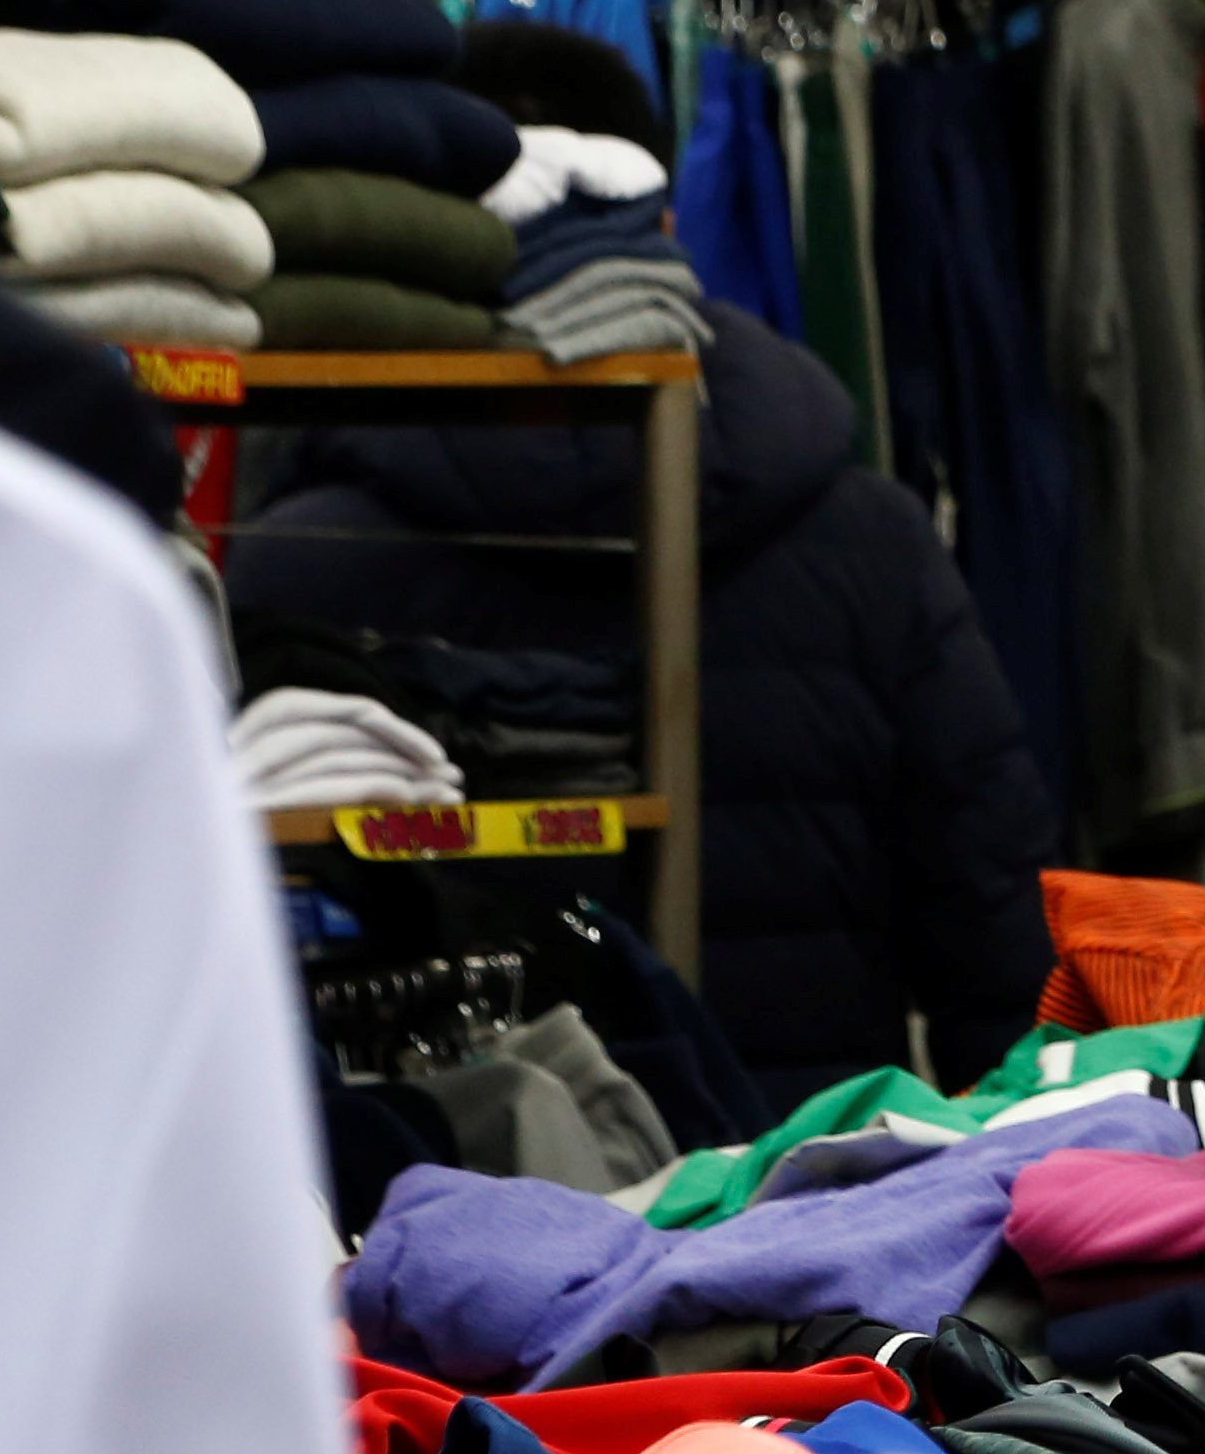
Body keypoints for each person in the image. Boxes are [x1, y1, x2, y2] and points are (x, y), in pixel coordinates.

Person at [237, 291, 1053, 1099]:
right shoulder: (871, 542)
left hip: (452, 1156)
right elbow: (992, 923)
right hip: (816, 1156)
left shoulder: (302, 565)